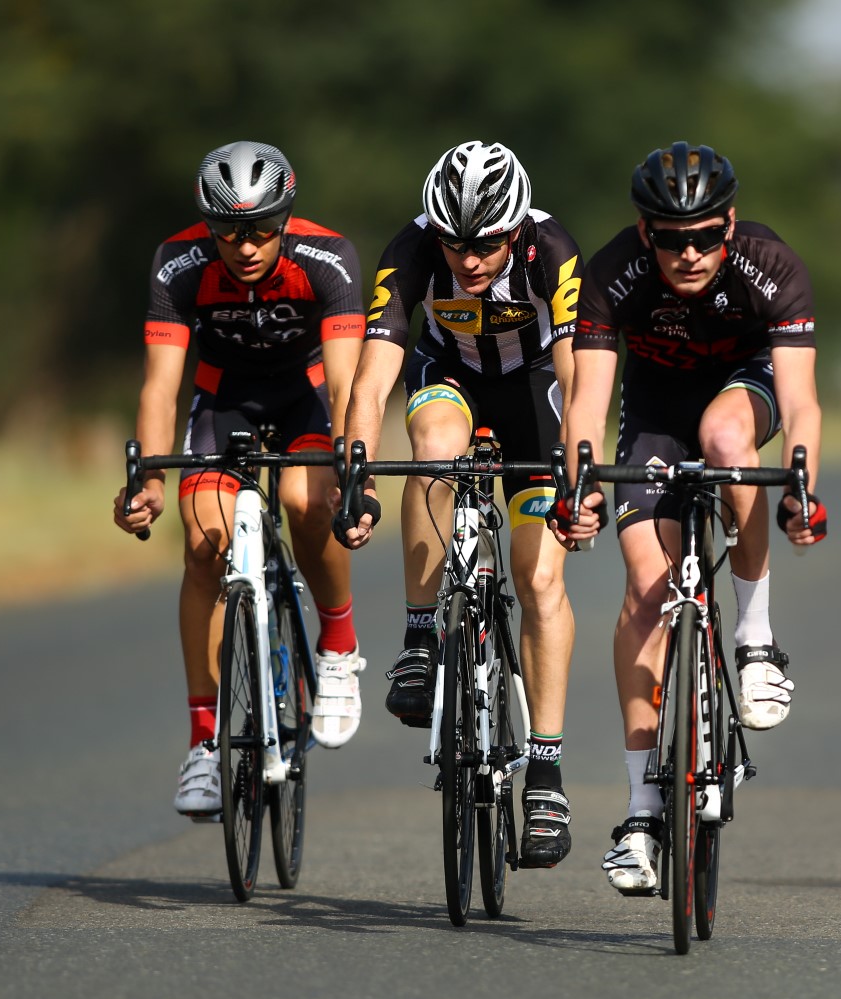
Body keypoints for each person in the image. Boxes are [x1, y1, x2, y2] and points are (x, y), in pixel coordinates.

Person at [553, 140, 829, 894]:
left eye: (706, 236)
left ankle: (755, 638)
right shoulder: (613, 272)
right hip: (655, 409)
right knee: (647, 590)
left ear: (729, 224)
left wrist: (801, 489)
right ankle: (642, 811)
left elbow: (802, 404)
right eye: (673, 239)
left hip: (744, 390)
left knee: (725, 439)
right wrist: (579, 488)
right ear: (646, 232)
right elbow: (586, 404)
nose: (691, 254)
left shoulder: (771, 265)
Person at [337, 140, 584, 868]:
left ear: (517, 229)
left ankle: (546, 775)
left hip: (533, 392)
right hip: (448, 375)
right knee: (435, 449)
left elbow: (576, 373)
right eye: (455, 244)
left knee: (540, 580)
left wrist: (580, 471)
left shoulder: (551, 250)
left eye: (487, 244)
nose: (470, 260)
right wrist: (355, 476)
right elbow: (371, 380)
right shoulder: (410, 250)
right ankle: (420, 641)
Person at [113, 140, 368, 819]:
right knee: (203, 545)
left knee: (304, 500)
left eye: (261, 229)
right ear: (208, 226)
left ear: (286, 218)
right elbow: (160, 386)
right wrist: (148, 480)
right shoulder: (179, 263)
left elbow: (345, 383)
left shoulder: (328, 257)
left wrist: (351, 472)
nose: (246, 246)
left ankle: (338, 646)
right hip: (223, 401)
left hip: (307, 396)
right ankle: (203, 744)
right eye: (228, 231)